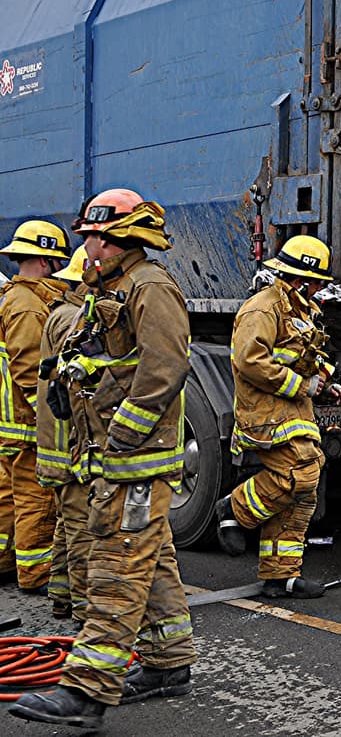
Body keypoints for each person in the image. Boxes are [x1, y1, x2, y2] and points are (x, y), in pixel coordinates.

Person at [10, 190, 196, 729]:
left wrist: (121, 434)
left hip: (133, 463)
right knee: (152, 558)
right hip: (108, 459)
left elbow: (164, 368)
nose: (86, 245)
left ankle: (86, 690)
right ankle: (167, 663)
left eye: (96, 236)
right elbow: (103, 359)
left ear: (123, 239)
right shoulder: (107, 289)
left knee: (117, 567)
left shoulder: (150, 287)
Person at [215, 235, 341, 598]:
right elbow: (250, 362)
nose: (320, 289)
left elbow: (306, 361)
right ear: (299, 279)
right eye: (317, 282)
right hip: (265, 412)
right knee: (299, 473)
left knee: (305, 490)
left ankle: (280, 575)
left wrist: (325, 385)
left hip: (293, 409)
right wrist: (304, 386)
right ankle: (234, 508)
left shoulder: (304, 312)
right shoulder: (263, 309)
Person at [0, 220, 72, 594]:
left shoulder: (15, 298)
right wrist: (51, 420)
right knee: (36, 498)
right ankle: (35, 574)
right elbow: (30, 371)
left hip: (10, 421)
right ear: (45, 262)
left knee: (7, 496)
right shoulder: (29, 306)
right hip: (27, 423)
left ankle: (5, 563)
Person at [36, 245, 89, 620]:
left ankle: (61, 596)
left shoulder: (60, 313)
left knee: (66, 524)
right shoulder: (75, 319)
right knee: (83, 527)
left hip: (54, 444)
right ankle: (88, 611)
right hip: (67, 444)